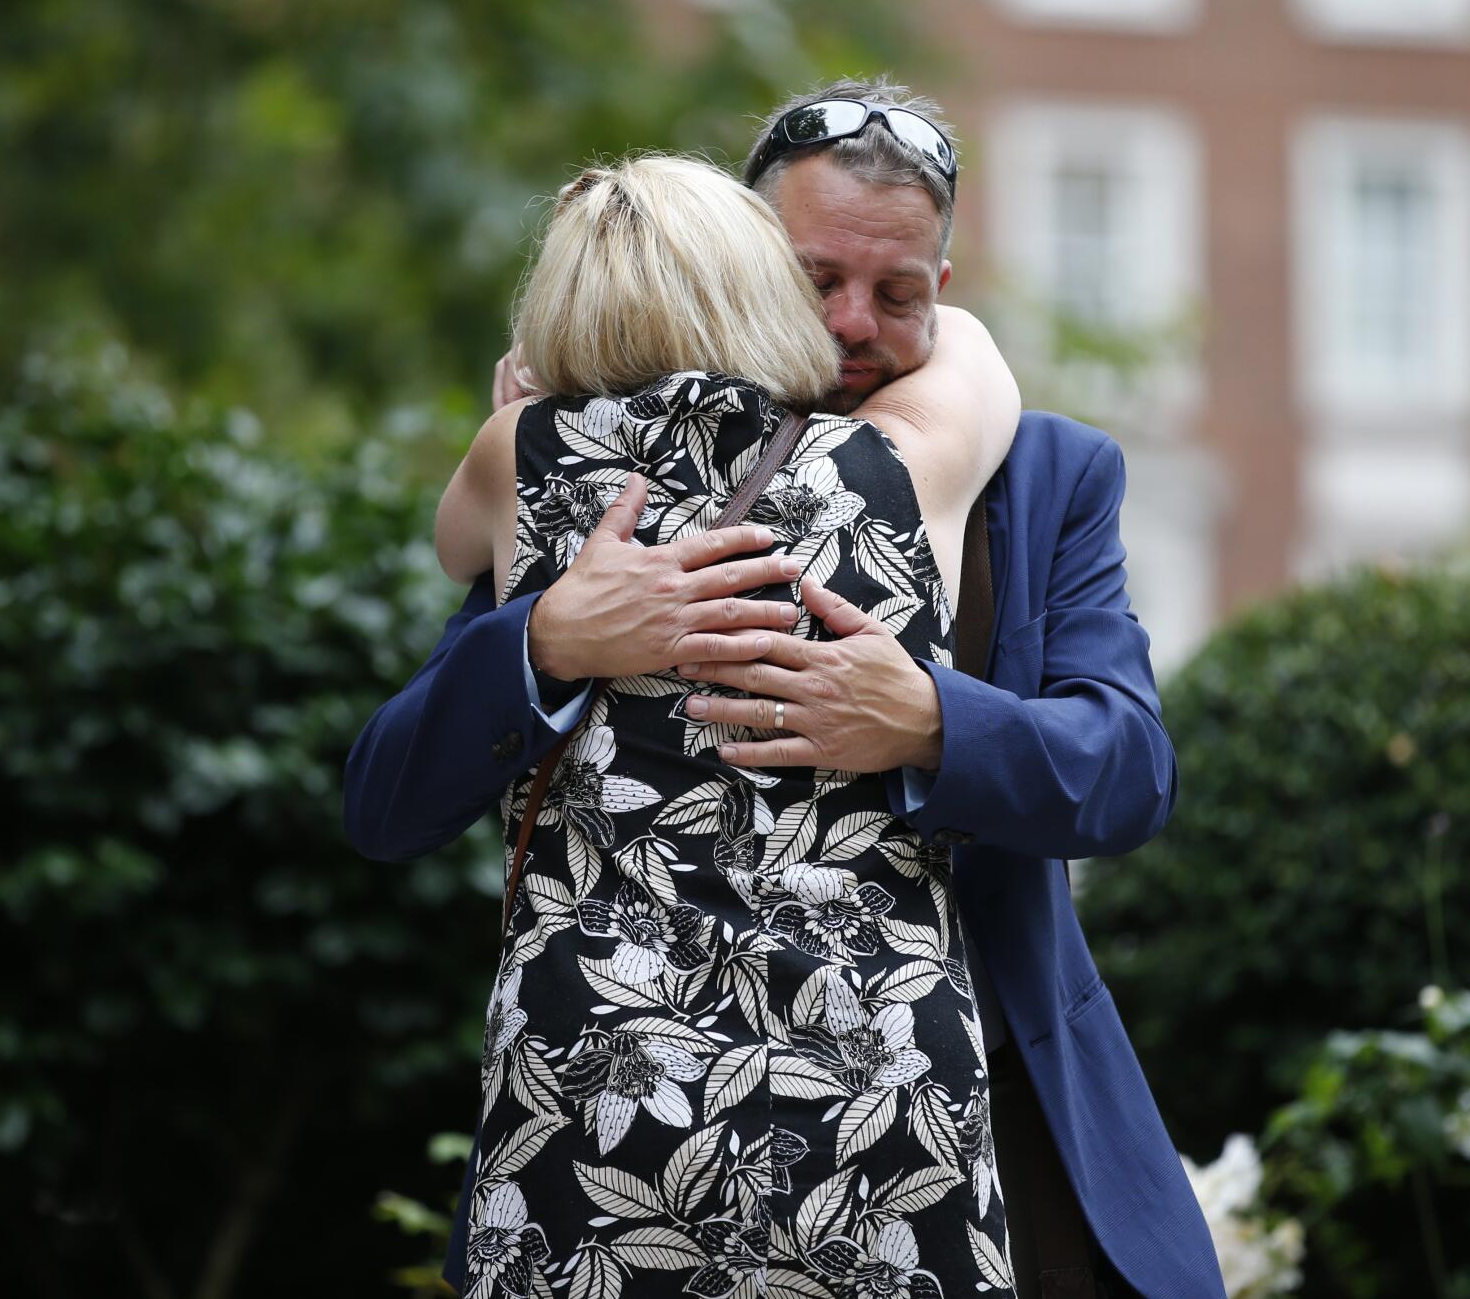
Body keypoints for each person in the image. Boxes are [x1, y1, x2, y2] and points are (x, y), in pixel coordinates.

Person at [345, 79, 1227, 1299]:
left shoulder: (1048, 472)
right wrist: (546, 637)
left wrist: (926, 721)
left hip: (991, 1148)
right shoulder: (599, 480)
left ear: (945, 291)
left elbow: (1128, 772)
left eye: (899, 293)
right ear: (745, 267)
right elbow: (387, 800)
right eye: (817, 281)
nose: (855, 324)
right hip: (642, 1143)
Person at [430, 149, 1025, 1299]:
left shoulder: (521, 457)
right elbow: (980, 363)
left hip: (602, 1072)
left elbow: (453, 550)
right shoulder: (893, 464)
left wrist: (532, 417)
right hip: (869, 1069)